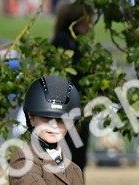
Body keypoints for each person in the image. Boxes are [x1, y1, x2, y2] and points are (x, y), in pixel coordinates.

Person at [50, 2, 95, 170]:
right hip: (66, 115)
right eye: (88, 21)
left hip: (76, 114)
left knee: (76, 161)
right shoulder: (65, 42)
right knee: (70, 162)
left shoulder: (77, 43)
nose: (90, 26)